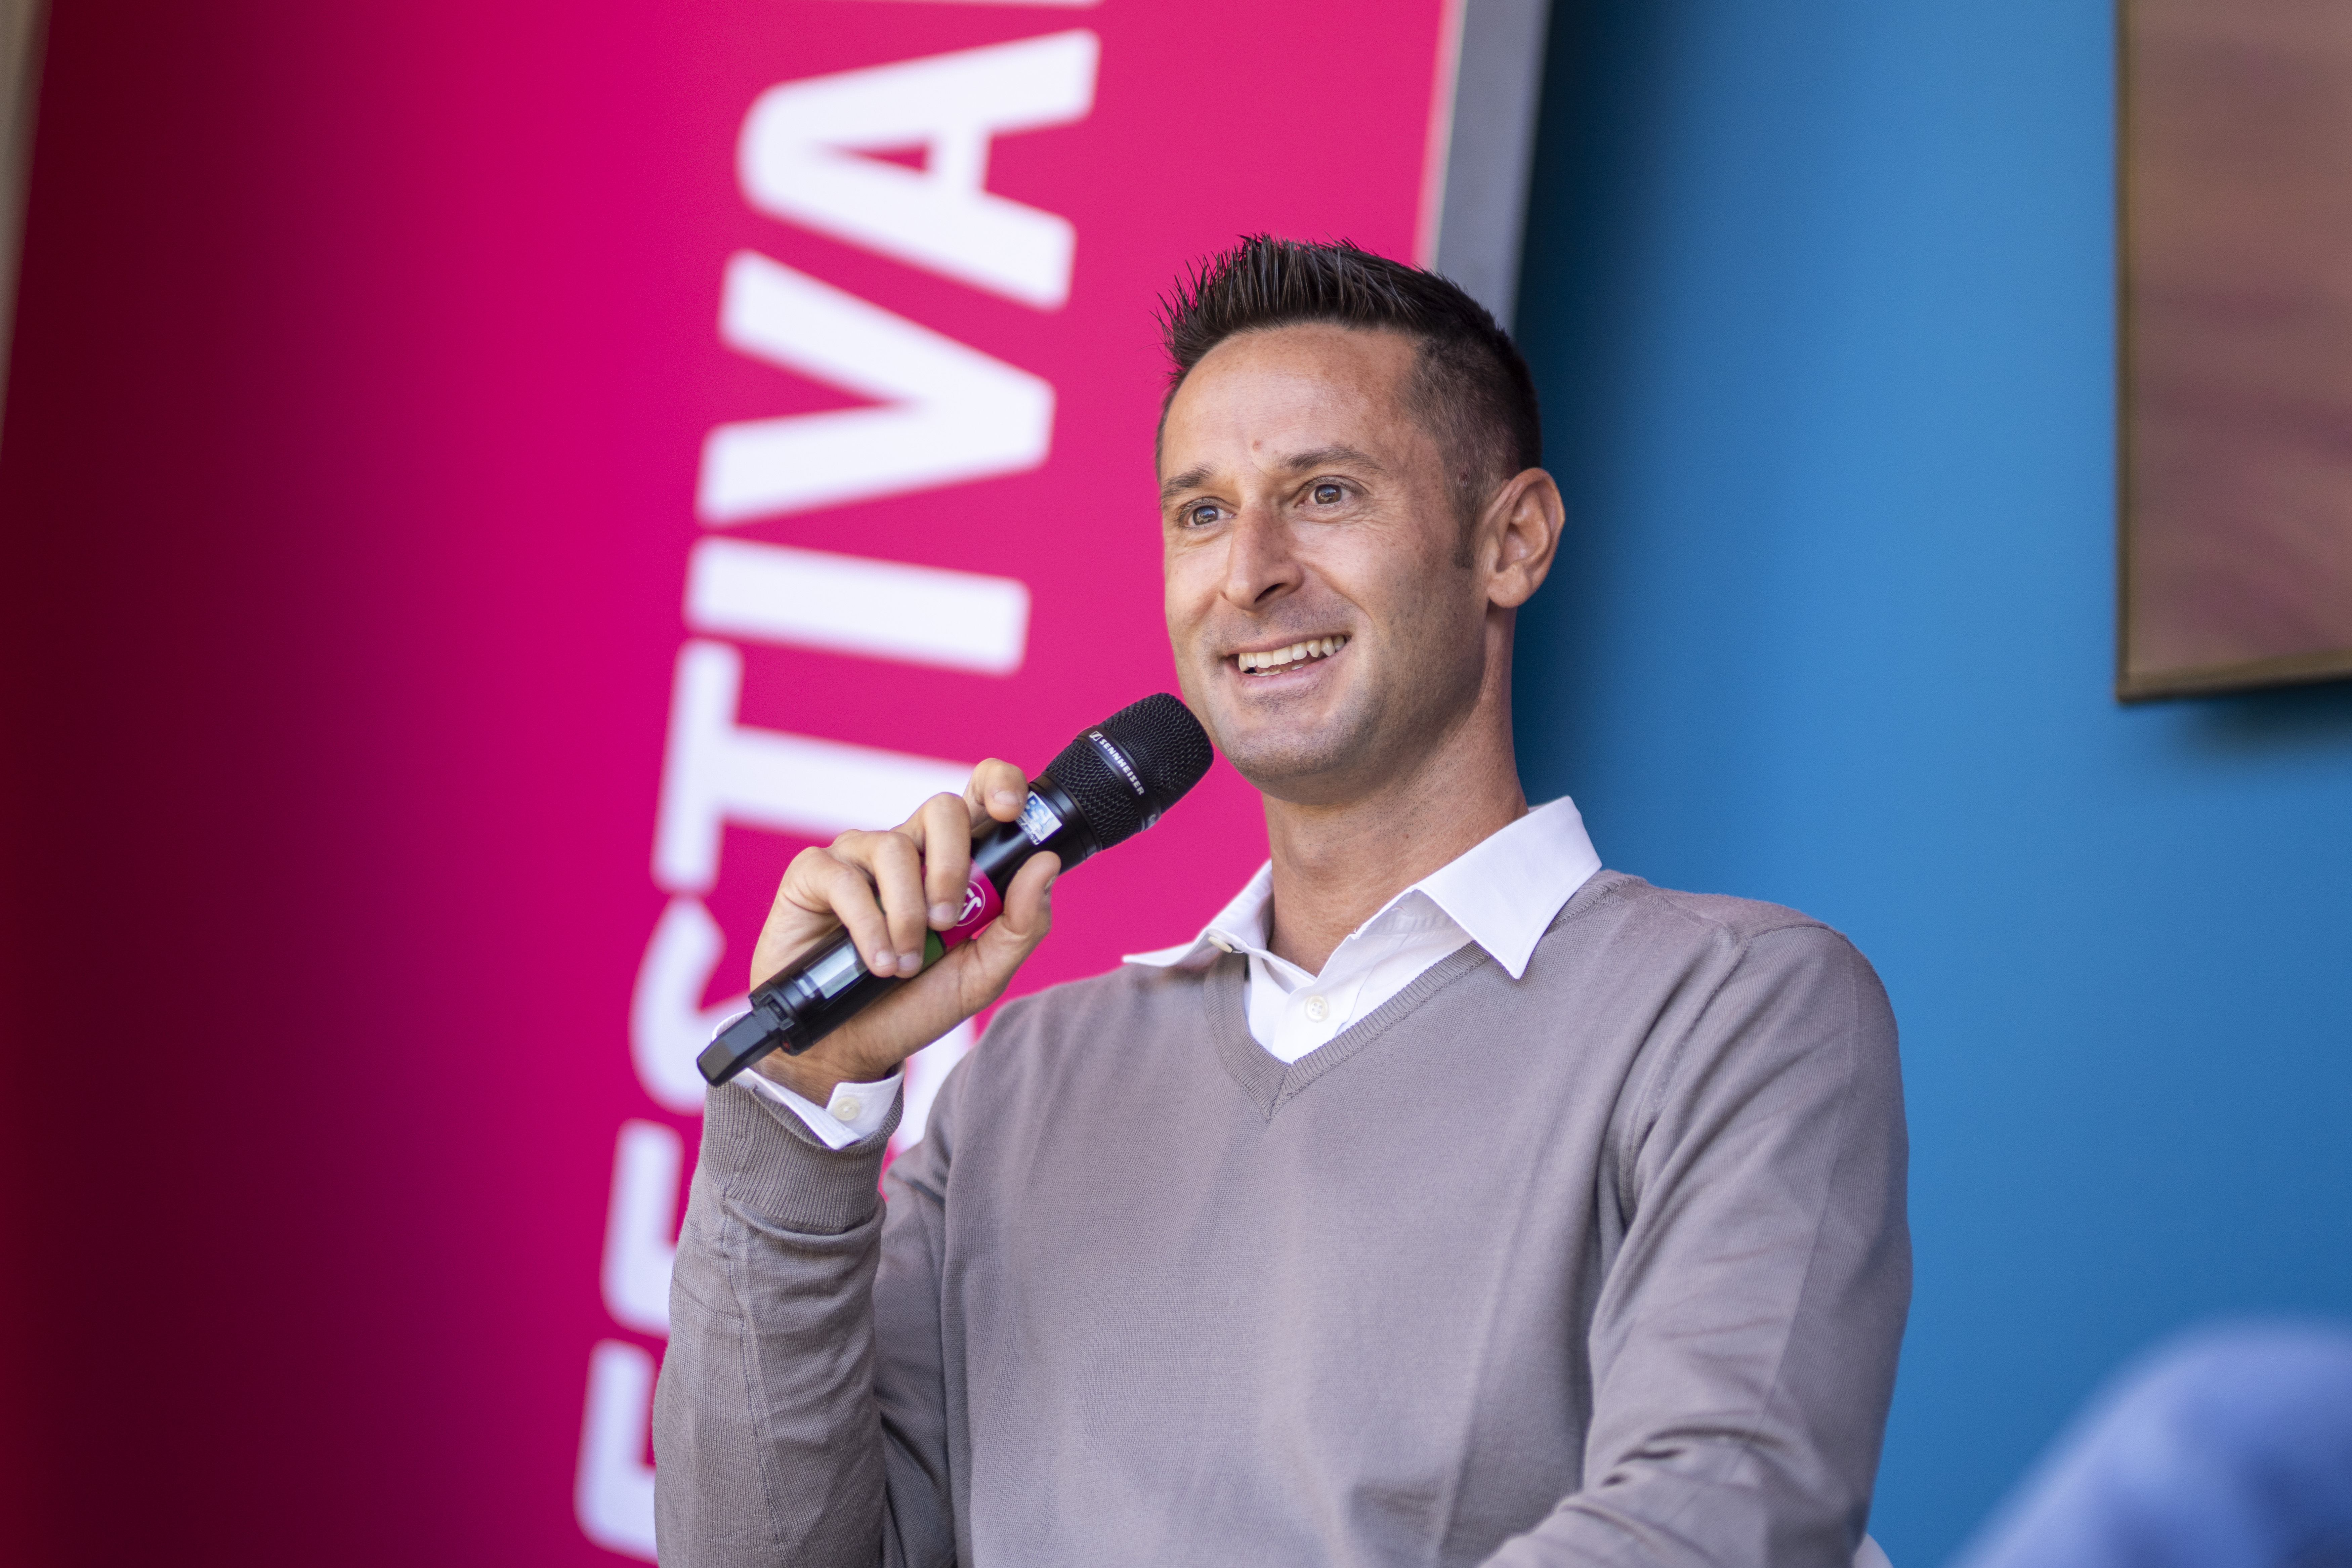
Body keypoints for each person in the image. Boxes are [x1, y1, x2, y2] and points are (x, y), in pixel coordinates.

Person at [652, 236, 1910, 1567]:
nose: (1247, 570)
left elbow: (1713, 1524)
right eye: (1199, 512)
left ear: (1512, 542)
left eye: (1321, 492)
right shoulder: (1025, 1077)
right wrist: (801, 1106)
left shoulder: (1732, 1008)